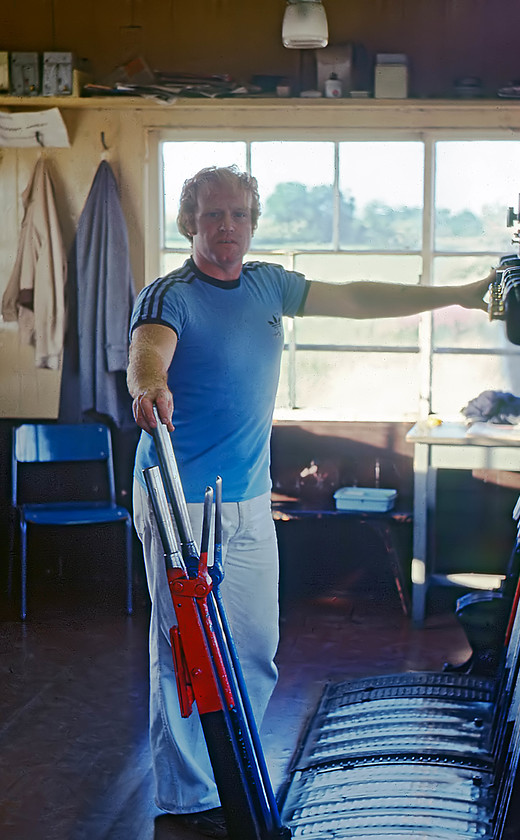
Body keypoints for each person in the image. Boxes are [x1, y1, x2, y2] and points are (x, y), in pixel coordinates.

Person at [127, 164, 493, 838]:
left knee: (257, 646)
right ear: (189, 223)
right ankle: (188, 798)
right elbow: (148, 351)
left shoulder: (269, 284)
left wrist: (463, 294)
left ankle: (232, 768)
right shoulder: (169, 295)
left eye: (238, 214)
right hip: (179, 501)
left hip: (246, 497)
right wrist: (150, 387)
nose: (226, 227)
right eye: (212, 215)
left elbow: (357, 296)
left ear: (253, 221)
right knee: (184, 648)